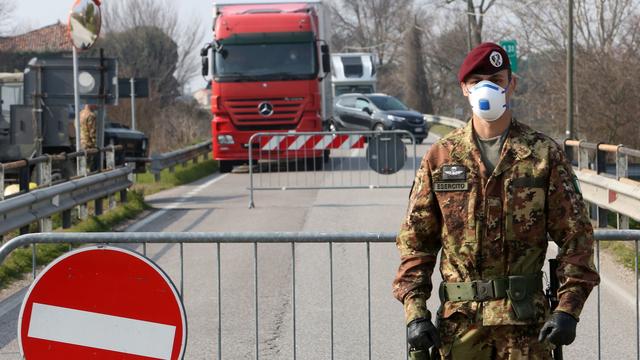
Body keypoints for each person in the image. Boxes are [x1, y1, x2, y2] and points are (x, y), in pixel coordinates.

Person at [393, 42, 600, 359]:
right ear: (464, 88)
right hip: (461, 329)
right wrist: (415, 313)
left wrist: (568, 308)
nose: (486, 88)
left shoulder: (542, 154)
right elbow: (415, 241)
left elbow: (576, 236)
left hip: (527, 329)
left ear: (511, 85)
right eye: (476, 81)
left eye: (497, 80)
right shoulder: (441, 157)